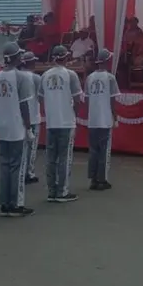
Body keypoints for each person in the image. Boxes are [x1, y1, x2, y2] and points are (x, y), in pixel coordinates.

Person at [0, 42, 34, 217]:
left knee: (4, 166)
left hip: (1, 125)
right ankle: (16, 204)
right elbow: (24, 104)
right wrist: (29, 125)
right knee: (17, 166)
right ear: (17, 57)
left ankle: (5, 203)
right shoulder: (21, 77)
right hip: (16, 126)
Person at [39, 45, 83, 203]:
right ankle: (62, 191)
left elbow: (41, 97)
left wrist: (50, 110)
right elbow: (78, 99)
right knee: (65, 157)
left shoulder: (45, 75)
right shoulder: (71, 75)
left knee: (51, 157)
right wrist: (74, 115)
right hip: (66, 121)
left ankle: (51, 190)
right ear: (65, 57)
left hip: (52, 121)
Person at [85, 48, 120, 191]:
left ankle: (93, 178)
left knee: (93, 150)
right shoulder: (110, 78)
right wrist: (115, 116)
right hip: (104, 118)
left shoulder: (89, 77)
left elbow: (87, 99)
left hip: (93, 119)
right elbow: (113, 100)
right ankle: (102, 179)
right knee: (104, 150)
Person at [19, 50, 42, 184]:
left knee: (21, 146)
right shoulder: (35, 78)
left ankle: (21, 171)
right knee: (31, 147)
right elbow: (40, 97)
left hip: (19, 116)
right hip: (32, 116)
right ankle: (29, 172)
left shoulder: (17, 75)